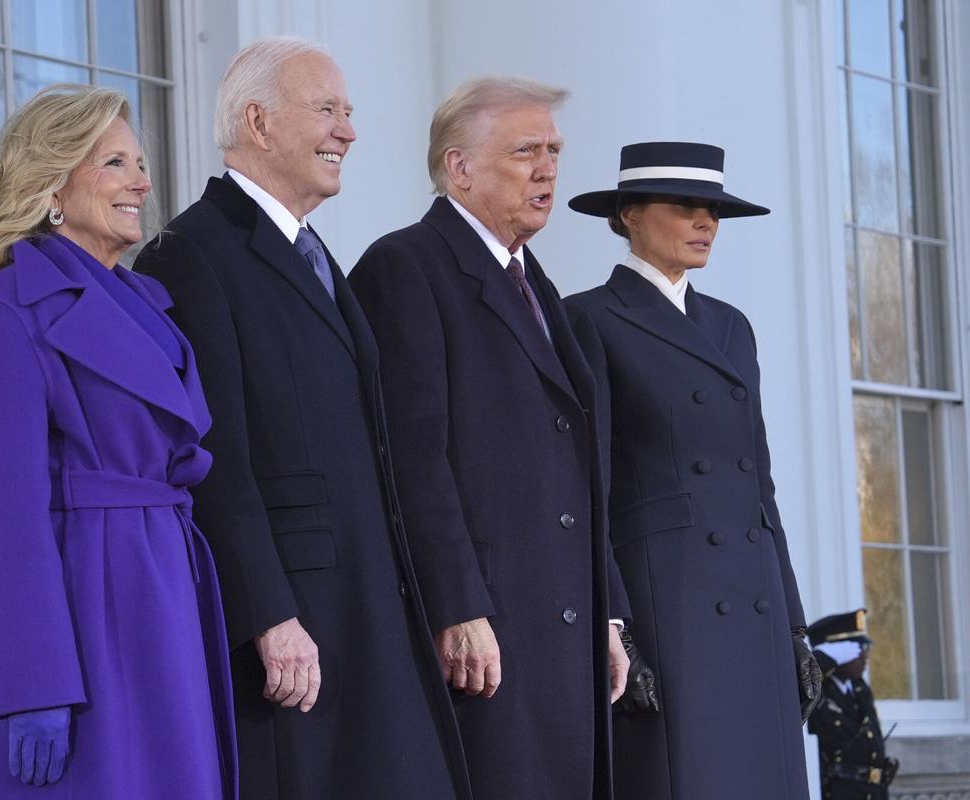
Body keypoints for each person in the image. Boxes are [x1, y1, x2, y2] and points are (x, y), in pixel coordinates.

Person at [133, 38, 470, 800]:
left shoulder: (312, 252)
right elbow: (213, 453)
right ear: (258, 122)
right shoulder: (189, 254)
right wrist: (269, 614)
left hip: (372, 604)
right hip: (296, 635)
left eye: (347, 113)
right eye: (327, 111)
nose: (348, 132)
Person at [348, 76, 632, 800]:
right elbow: (413, 457)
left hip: (563, 623)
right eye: (525, 152)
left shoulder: (535, 281)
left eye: (554, 151)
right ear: (459, 168)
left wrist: (608, 608)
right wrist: (457, 606)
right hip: (489, 629)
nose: (547, 170)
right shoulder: (406, 266)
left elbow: (578, 464)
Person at [0, 85, 236, 798]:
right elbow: (3, 517)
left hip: (164, 587)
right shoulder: (7, 312)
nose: (142, 182)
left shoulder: (146, 305)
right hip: (91, 609)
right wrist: (31, 684)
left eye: (139, 163)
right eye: (115, 163)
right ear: (53, 183)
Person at [562, 141, 823, 799]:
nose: (705, 223)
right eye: (686, 207)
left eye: (713, 210)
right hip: (668, 605)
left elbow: (759, 487)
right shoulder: (587, 318)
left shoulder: (733, 327)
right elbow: (585, 486)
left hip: (753, 601)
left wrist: (793, 623)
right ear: (629, 214)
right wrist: (613, 623)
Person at [808, 609, 899, 799]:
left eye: (865, 649)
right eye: (856, 649)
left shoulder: (859, 689)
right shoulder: (818, 691)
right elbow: (796, 680)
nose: (864, 657)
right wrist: (821, 659)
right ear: (836, 653)